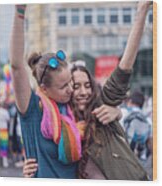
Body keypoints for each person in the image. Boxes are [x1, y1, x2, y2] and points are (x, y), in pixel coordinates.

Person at [10, 5, 122, 178]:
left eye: (70, 82)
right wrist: (19, 13)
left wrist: (117, 112)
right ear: (45, 89)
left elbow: (101, 114)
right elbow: (17, 66)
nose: (71, 89)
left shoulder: (73, 107)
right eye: (63, 87)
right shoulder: (33, 109)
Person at [0, 100, 10, 168]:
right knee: (4, 146)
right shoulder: (5, 112)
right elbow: (8, 120)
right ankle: (4, 162)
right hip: (4, 130)